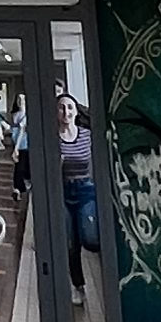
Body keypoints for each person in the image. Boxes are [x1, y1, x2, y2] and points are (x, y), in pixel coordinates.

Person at [60, 86, 99, 306]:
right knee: (71, 244)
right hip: (64, 192)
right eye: (61, 108)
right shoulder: (53, 139)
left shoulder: (86, 135)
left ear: (76, 111)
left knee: (90, 239)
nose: (66, 112)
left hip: (85, 189)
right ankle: (78, 286)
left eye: (69, 107)